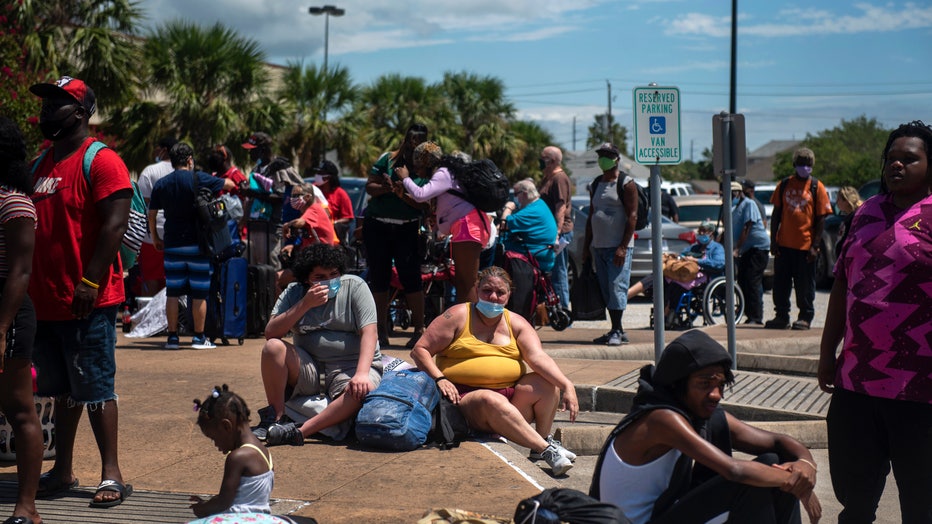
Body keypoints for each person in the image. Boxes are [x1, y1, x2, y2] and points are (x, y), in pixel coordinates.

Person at [818, 121, 932, 523]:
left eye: (909, 159)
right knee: (854, 500)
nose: (896, 165)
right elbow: (842, 285)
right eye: (891, 158)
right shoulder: (866, 213)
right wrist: (826, 353)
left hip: (920, 390)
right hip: (858, 382)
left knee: (922, 505)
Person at [28, 76, 133, 508]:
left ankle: (112, 474)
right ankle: (63, 470)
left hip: (88, 301)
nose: (47, 110)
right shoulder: (39, 164)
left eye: (57, 102)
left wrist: (90, 281)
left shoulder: (102, 160)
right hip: (44, 302)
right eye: (46, 102)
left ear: (80, 112)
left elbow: (115, 224)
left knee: (96, 389)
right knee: (61, 391)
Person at [591, 330, 821, 524]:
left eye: (720, 385)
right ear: (678, 384)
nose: (716, 394)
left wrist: (805, 463)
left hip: (663, 513)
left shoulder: (697, 413)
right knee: (757, 479)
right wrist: (795, 482)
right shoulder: (661, 418)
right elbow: (734, 471)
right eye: (705, 384)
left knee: (774, 460)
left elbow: (777, 442)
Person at [410, 266, 579, 476]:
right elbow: (420, 350)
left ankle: (542, 440)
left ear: (509, 295)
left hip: (509, 401)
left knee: (547, 383)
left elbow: (538, 357)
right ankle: (546, 450)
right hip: (464, 402)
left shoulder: (516, 322)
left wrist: (566, 385)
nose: (493, 297)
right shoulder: (457, 315)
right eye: (487, 291)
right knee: (490, 399)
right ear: (476, 290)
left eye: (500, 293)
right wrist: (440, 378)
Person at [258, 244, 382, 446]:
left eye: (333, 274)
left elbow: (370, 332)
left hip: (349, 367)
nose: (329, 281)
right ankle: (277, 419)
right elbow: (271, 333)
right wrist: (305, 304)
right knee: (272, 348)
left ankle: (299, 432)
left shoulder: (355, 287)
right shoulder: (294, 292)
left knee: (361, 391)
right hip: (311, 369)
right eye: (320, 277)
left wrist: (361, 373)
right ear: (306, 278)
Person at [148, 142, 235, 350]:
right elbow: (229, 185)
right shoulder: (199, 178)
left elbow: (152, 214)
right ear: (189, 160)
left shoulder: (162, 183)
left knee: (172, 292)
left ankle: (172, 338)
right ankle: (198, 338)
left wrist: (156, 237)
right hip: (198, 245)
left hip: (172, 244)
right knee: (199, 292)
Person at [0, 117, 43, 524]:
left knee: (19, 410)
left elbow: (20, 271)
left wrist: (1, 328)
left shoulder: (14, 202)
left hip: (7, 311)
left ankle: (27, 507)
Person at [396, 142, 490, 307]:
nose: (417, 171)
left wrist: (405, 178)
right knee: (461, 281)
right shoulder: (446, 173)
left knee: (467, 281)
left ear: (427, 162)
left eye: (418, 166)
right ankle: (465, 318)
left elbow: (420, 194)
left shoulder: (443, 173)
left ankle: (473, 321)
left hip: (469, 227)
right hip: (465, 227)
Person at [365, 123, 430, 349]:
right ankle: (380, 330)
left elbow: (426, 206)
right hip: (377, 225)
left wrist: (402, 194)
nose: (413, 144)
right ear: (405, 139)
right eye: (411, 139)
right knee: (379, 277)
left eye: (418, 141)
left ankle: (419, 329)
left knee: (411, 278)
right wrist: (387, 188)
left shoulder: (426, 167)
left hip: (407, 228)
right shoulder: (388, 159)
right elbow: (369, 187)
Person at [765, 147, 833, 331]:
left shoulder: (816, 187)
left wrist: (815, 246)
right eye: (801, 163)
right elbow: (776, 214)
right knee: (781, 284)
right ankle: (781, 316)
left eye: (808, 164)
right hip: (784, 245)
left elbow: (821, 219)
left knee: (805, 286)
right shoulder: (784, 184)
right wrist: (774, 241)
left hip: (805, 247)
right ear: (795, 164)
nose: (805, 167)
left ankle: (805, 317)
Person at [189, 385, 274, 519]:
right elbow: (239, 496)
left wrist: (201, 509)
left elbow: (222, 503)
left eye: (214, 438)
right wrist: (208, 503)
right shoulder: (264, 452)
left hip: (237, 520)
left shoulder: (237, 457)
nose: (216, 445)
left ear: (226, 426)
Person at [584, 143, 638, 346]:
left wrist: (623, 247)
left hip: (618, 247)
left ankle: (616, 330)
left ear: (616, 159)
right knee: (606, 288)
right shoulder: (596, 183)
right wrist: (586, 247)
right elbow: (591, 215)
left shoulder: (626, 183)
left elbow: (632, 216)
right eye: (601, 155)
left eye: (607, 155)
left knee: (617, 287)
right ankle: (618, 329)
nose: (603, 159)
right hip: (599, 245)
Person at [241, 132, 304, 270]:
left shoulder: (279, 168)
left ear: (262, 150)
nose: (250, 153)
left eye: (252, 150)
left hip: (273, 228)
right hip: (255, 226)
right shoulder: (256, 170)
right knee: (255, 270)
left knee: (272, 270)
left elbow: (283, 196)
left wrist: (254, 193)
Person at [498, 178, 558, 321]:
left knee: (497, 249)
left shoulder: (532, 211)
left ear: (524, 194)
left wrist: (508, 208)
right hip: (540, 253)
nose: (515, 198)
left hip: (535, 256)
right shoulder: (539, 205)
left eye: (516, 194)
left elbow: (504, 224)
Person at [136, 136, 177, 296]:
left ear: (164, 150)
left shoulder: (150, 171)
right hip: (177, 233)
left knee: (150, 278)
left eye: (157, 148)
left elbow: (141, 203)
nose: (155, 151)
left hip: (152, 236)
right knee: (173, 279)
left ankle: (150, 310)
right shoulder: (184, 171)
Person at [537, 146, 573, 309]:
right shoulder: (547, 178)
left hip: (559, 233)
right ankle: (552, 309)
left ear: (551, 161)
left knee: (559, 272)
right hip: (548, 232)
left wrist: (557, 233)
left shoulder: (559, 178)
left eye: (543, 158)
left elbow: (561, 207)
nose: (540, 161)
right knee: (550, 273)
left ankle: (563, 310)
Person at [730, 181, 770, 325]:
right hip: (747, 249)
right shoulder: (734, 208)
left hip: (758, 248)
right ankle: (748, 314)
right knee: (742, 280)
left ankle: (756, 317)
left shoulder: (749, 204)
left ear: (738, 193)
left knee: (752, 281)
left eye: (732, 194)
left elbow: (747, 227)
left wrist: (737, 249)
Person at [312, 160, 355, 244]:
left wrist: (333, 223)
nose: (317, 175)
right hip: (314, 233)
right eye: (317, 172)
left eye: (321, 173)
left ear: (329, 177)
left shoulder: (340, 194)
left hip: (332, 236)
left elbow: (348, 217)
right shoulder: (313, 189)